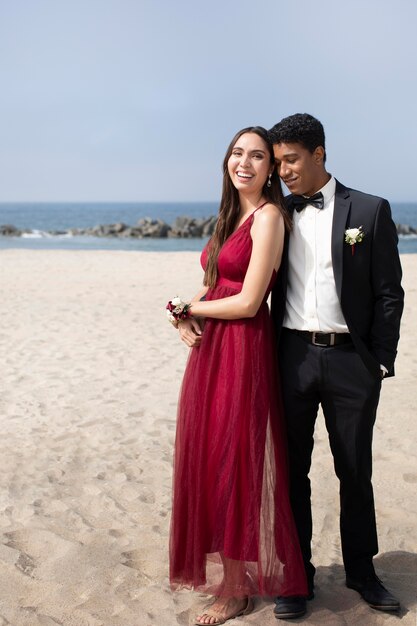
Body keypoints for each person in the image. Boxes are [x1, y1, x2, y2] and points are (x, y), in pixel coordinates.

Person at [169, 126, 308, 625]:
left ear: (271, 169)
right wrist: (185, 312)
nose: (243, 162)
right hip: (212, 351)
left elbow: (250, 300)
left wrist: (193, 306)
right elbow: (217, 282)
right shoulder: (231, 216)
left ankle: (237, 587)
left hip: (244, 349)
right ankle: (231, 576)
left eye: (256, 156)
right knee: (210, 458)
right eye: (236, 153)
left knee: (235, 462)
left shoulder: (269, 217)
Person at [268, 113, 404, 619]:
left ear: (319, 153)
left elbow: (390, 293)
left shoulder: (369, 210)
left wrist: (380, 362)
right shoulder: (273, 213)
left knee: (354, 471)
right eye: (278, 162)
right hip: (292, 358)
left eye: (291, 160)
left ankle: (364, 574)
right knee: (291, 472)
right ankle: (295, 577)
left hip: (352, 362)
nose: (282, 171)